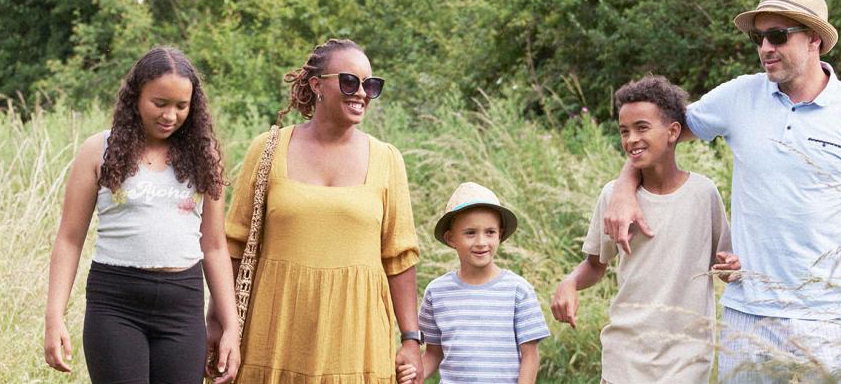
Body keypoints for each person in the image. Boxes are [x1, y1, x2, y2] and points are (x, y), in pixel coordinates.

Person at [603, 0, 841, 381]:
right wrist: (623, 186)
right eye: (759, 37)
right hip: (747, 314)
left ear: (814, 41)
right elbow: (658, 136)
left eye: (777, 36)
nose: (765, 48)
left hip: (829, 320)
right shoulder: (738, 97)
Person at [216, 39, 422, 383]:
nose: (361, 93)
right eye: (349, 81)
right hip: (275, 328)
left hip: (357, 335)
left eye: (371, 85)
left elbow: (399, 258)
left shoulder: (387, 159)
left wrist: (411, 340)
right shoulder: (267, 149)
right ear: (316, 85)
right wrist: (219, 322)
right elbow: (234, 245)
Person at [43, 47, 240, 384]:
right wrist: (54, 316)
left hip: (182, 307)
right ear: (136, 98)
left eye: (181, 106)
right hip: (116, 306)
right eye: (159, 103)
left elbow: (215, 246)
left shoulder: (204, 155)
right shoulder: (98, 150)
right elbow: (70, 239)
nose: (170, 115)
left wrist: (231, 327)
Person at [550, 76, 740, 383]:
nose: (631, 139)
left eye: (642, 127)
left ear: (673, 132)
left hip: (686, 360)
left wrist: (730, 267)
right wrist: (569, 283)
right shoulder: (613, 196)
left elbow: (725, 267)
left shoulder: (704, 194)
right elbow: (595, 265)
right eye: (624, 131)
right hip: (624, 356)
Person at [402, 182, 551, 384]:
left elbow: (530, 356)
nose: (481, 242)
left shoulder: (518, 290)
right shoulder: (436, 292)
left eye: (490, 232)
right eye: (470, 233)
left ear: (500, 235)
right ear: (451, 238)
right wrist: (414, 375)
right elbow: (433, 354)